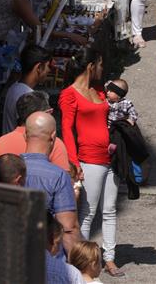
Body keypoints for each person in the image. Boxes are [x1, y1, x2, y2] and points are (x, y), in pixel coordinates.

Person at [59, 48, 122, 275]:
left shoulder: (99, 90)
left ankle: (110, 259)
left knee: (110, 210)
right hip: (89, 159)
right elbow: (66, 130)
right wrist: (74, 163)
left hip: (109, 157)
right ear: (90, 66)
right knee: (88, 213)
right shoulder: (69, 94)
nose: (102, 69)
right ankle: (82, 262)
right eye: (100, 64)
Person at [0, 91, 71, 171]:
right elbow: (62, 179)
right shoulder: (53, 143)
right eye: (50, 112)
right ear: (45, 114)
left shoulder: (0, 143)